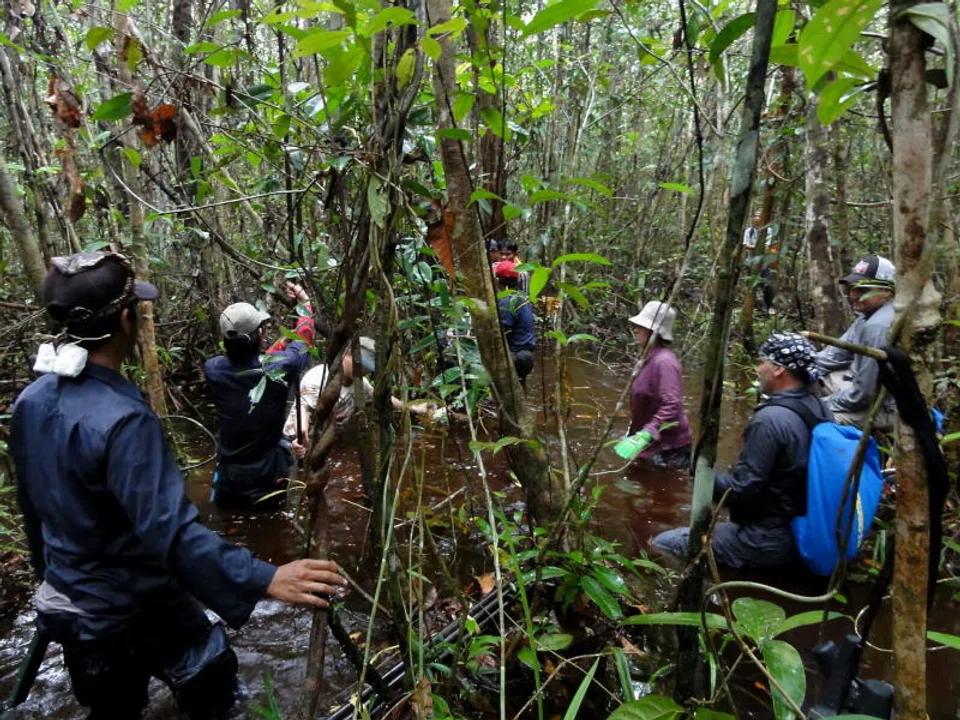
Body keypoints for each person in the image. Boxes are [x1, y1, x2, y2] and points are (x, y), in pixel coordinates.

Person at [10, 252, 346, 718]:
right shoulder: (124, 419)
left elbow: (33, 509)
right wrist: (266, 577)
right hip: (141, 604)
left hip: (75, 607)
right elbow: (169, 532)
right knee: (213, 692)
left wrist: (52, 576)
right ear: (126, 320)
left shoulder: (30, 401)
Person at [651, 332, 832, 569]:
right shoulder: (820, 408)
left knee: (662, 543)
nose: (759, 368)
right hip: (806, 530)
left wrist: (701, 472)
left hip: (767, 539)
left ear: (779, 369)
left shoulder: (770, 420)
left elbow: (740, 491)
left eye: (763, 362)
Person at [204, 282, 315, 509]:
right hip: (268, 477)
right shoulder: (281, 366)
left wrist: (282, 342)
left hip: (230, 480)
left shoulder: (213, 369)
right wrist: (304, 303)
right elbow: (303, 339)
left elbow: (256, 363)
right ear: (260, 335)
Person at [814, 255, 896, 430]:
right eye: (852, 289)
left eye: (863, 290)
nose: (853, 295)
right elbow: (833, 356)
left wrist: (819, 405)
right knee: (817, 376)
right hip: (865, 390)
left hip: (887, 408)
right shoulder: (866, 318)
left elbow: (863, 396)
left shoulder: (878, 326)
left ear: (886, 291)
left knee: (812, 419)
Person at [625, 301, 693, 469]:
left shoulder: (664, 362)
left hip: (669, 449)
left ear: (655, 331)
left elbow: (672, 404)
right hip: (650, 443)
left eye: (641, 326)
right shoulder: (647, 358)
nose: (635, 330)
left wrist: (648, 431)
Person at [493, 260, 536, 388]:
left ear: (498, 280)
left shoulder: (507, 300)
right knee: (519, 392)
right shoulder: (522, 298)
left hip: (515, 356)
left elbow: (504, 331)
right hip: (526, 356)